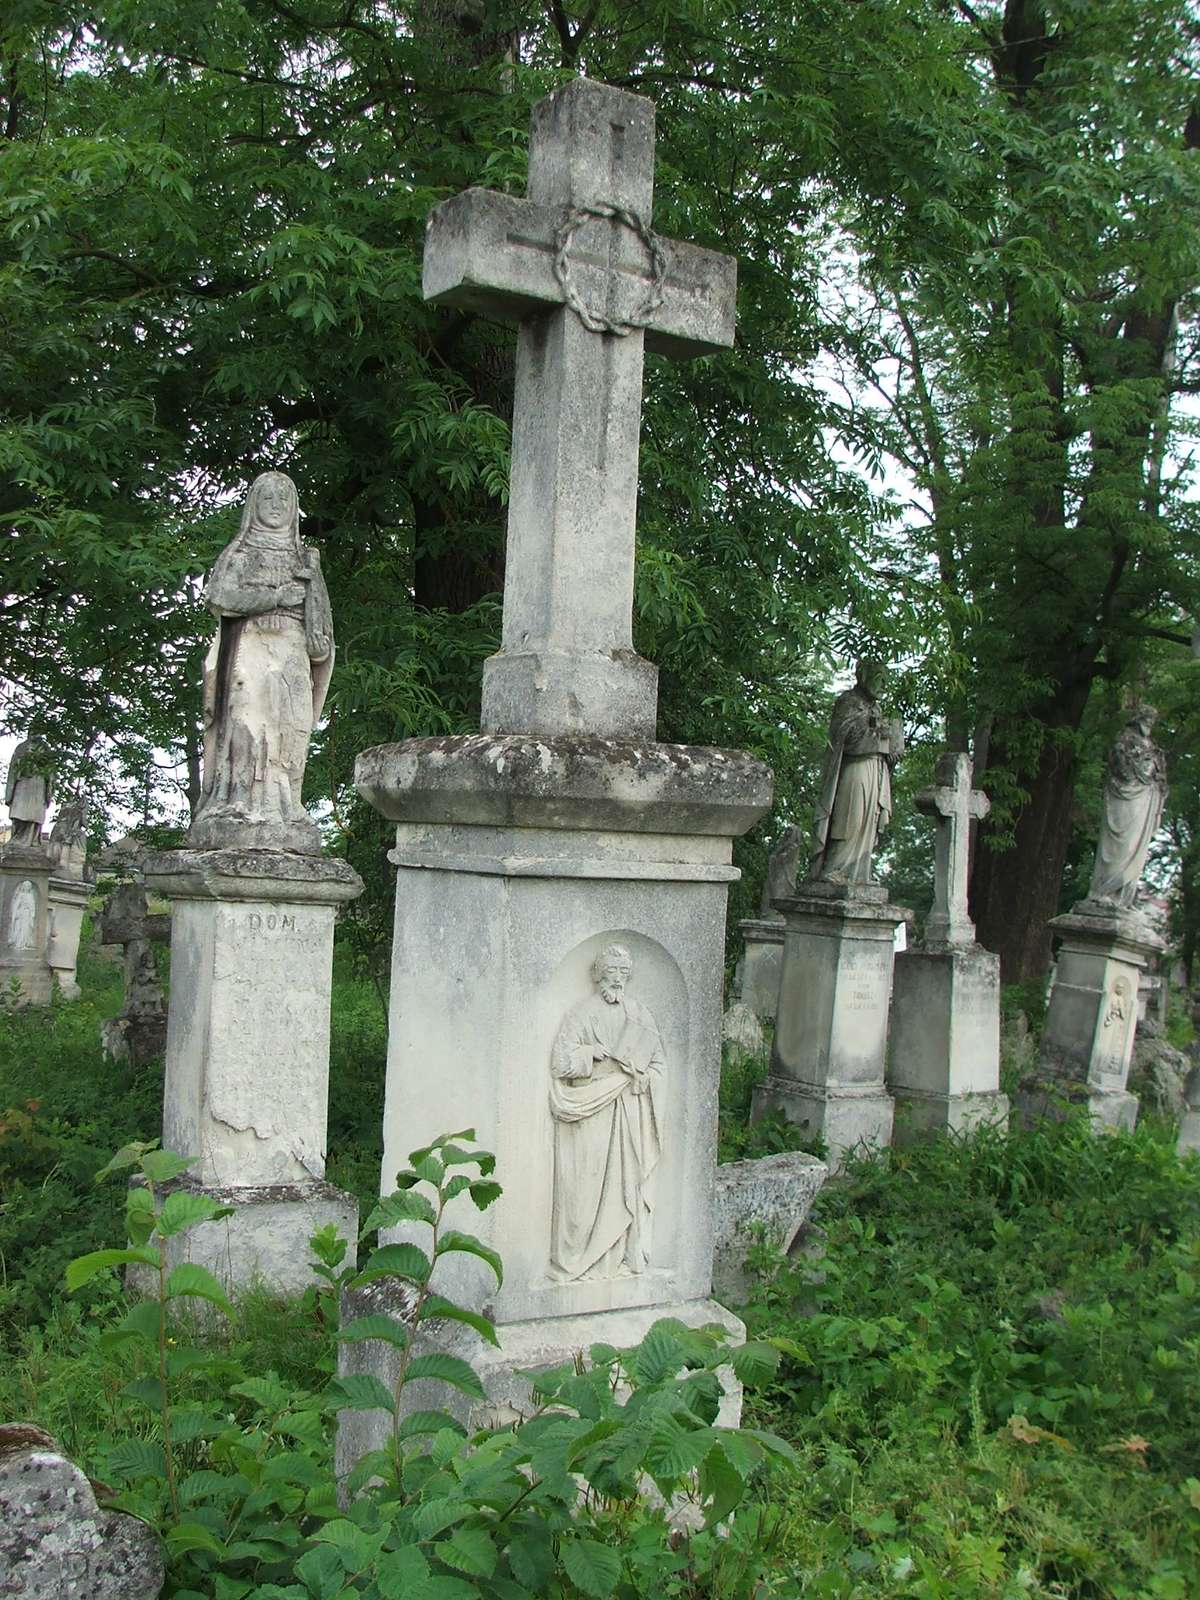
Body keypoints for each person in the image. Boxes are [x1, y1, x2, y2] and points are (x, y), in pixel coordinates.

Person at [191, 471, 333, 851]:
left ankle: (284, 805)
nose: (275, 507)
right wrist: (276, 598)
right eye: (267, 499)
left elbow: (320, 633)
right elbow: (221, 598)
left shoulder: (304, 559)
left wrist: (313, 581)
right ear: (254, 505)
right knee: (246, 723)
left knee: (289, 725)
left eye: (283, 501)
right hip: (251, 647)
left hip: (289, 649)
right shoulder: (240, 553)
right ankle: (239, 801)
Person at [550, 944, 664, 1281]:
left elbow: (658, 1065)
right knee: (584, 1191)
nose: (618, 979)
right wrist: (590, 1054)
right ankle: (579, 1260)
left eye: (623, 973)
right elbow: (559, 1062)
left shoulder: (640, 1014)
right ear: (599, 975)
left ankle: (619, 1259)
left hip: (629, 1111)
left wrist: (643, 1078)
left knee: (626, 1188)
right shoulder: (581, 1013)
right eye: (612, 972)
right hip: (589, 1113)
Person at [809, 659, 904, 884]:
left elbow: (888, 747)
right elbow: (846, 740)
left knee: (868, 823)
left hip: (876, 770)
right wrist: (879, 734)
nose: (884, 685)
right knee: (849, 818)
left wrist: (893, 746)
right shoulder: (849, 702)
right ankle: (834, 868)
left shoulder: (877, 708)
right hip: (856, 769)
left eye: (887, 680)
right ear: (863, 676)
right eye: (880, 678)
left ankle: (858, 872)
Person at [1086, 704, 1167, 909]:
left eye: (1152, 720)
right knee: (1119, 846)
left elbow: (1160, 774)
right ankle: (1103, 891)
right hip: (1126, 796)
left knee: (1135, 847)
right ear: (1138, 719)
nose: (1149, 723)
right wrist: (1140, 773)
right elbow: (1120, 768)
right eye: (1147, 719)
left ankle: (1124, 894)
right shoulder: (1125, 739)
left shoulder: (1152, 745)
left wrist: (1156, 777)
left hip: (1146, 797)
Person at [4, 737, 53, 849]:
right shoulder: (21, 747)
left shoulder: (45, 748)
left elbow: (51, 771)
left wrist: (49, 791)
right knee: (19, 814)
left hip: (39, 784)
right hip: (23, 783)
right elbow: (14, 767)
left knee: (34, 816)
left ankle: (32, 840)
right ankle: (18, 837)